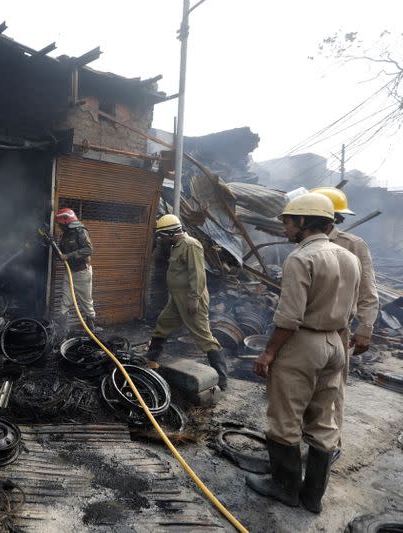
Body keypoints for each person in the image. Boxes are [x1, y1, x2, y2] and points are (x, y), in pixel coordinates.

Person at [246, 192, 361, 514]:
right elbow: (351, 307)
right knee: (324, 421)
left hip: (304, 344)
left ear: (303, 222)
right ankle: (312, 497)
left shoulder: (300, 258)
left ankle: (284, 488)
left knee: (285, 419)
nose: (284, 228)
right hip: (335, 343)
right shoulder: (348, 256)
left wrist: (268, 354)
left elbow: (289, 317)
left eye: (287, 221)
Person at [310, 187, 379, 462]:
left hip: (337, 330)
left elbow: (368, 291)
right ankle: (312, 437)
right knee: (305, 388)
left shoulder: (353, 245)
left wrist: (365, 329)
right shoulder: (304, 243)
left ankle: (330, 444)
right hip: (304, 330)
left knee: (333, 389)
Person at [145, 214, 228, 389]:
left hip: (190, 298)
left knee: (203, 336)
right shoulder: (176, 245)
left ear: (171, 234)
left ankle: (222, 379)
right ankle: (151, 359)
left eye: (162, 236)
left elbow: (197, 274)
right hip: (177, 298)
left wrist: (194, 299)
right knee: (163, 324)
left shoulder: (191, 245)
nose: (161, 239)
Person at [54, 208, 96, 334]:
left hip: (82, 273)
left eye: (61, 224)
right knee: (65, 303)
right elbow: (61, 253)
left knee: (87, 304)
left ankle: (91, 332)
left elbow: (89, 250)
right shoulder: (65, 234)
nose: (59, 226)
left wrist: (68, 256)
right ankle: (62, 333)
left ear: (67, 222)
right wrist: (52, 243)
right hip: (70, 273)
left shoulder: (80, 232)